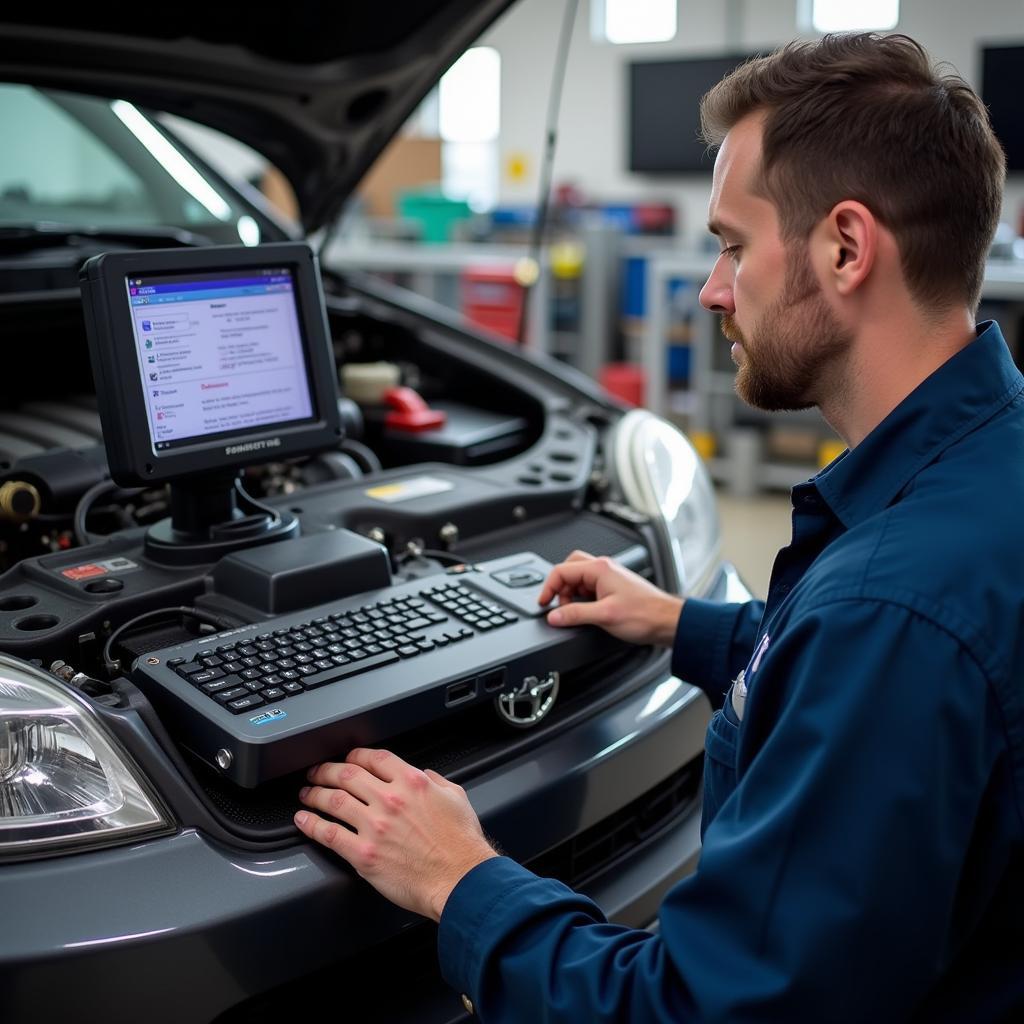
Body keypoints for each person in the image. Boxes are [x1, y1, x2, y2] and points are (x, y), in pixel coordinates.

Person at [294, 32, 1023, 1021]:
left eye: (730, 244)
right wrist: (683, 623)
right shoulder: (983, 468)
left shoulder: (888, 613)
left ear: (846, 247)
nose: (710, 289)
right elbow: (858, 680)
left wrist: (460, 877)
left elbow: (693, 1008)